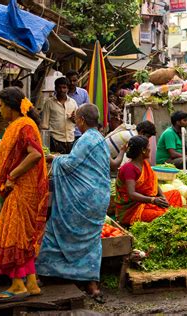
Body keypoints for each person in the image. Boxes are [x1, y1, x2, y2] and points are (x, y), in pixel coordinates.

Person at [36, 104, 110, 303]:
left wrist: (53, 159)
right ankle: (92, 285)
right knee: (91, 242)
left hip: (82, 199)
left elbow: (70, 164)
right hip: (98, 197)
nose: (75, 121)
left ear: (82, 121)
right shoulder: (99, 139)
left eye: (76, 118)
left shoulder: (86, 139)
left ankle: (41, 274)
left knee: (55, 230)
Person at [0, 87, 48, 302]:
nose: (0, 110)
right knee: (21, 237)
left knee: (13, 234)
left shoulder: (24, 125)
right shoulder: (17, 125)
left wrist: (11, 176)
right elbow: (14, 156)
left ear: (11, 106)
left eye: (1, 105)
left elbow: (35, 155)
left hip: (23, 189)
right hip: (18, 187)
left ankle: (17, 285)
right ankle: (31, 283)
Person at [115, 136, 182, 225]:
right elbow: (131, 194)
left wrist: (162, 197)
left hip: (147, 201)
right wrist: (153, 200)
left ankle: (163, 209)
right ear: (143, 150)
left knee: (175, 194)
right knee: (164, 215)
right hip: (132, 209)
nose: (150, 149)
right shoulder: (129, 168)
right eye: (148, 146)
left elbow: (153, 183)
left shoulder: (145, 164)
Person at [41, 77, 78, 154]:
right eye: (59, 87)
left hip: (70, 140)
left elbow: (77, 121)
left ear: (67, 89)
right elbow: (44, 125)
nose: (62, 90)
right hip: (55, 140)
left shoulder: (73, 102)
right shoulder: (49, 103)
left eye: (64, 88)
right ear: (55, 88)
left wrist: (73, 119)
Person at [65, 70, 90, 140]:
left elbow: (87, 111)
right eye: (70, 81)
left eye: (74, 80)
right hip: (63, 132)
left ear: (78, 80)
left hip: (79, 132)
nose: (72, 83)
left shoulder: (83, 93)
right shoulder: (60, 93)